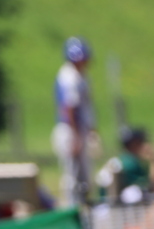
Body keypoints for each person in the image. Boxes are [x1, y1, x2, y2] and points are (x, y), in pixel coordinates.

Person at [51, 37, 98, 208]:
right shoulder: (68, 76)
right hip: (71, 129)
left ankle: (83, 205)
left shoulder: (81, 76)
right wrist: (76, 136)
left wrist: (92, 130)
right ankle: (71, 207)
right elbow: (69, 108)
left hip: (80, 129)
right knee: (72, 174)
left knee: (85, 173)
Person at [96, 126, 154, 201]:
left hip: (103, 205)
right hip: (114, 208)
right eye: (141, 142)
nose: (145, 145)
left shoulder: (121, 159)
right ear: (134, 144)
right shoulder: (131, 164)